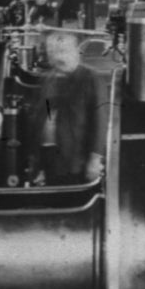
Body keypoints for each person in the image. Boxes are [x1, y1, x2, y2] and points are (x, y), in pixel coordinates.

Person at [20, 28, 108, 187]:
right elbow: (43, 114)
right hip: (49, 157)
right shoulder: (48, 79)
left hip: (76, 161)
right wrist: (36, 161)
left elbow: (100, 121)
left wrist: (95, 159)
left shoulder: (91, 79)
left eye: (63, 50)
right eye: (53, 51)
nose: (58, 56)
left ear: (75, 51)